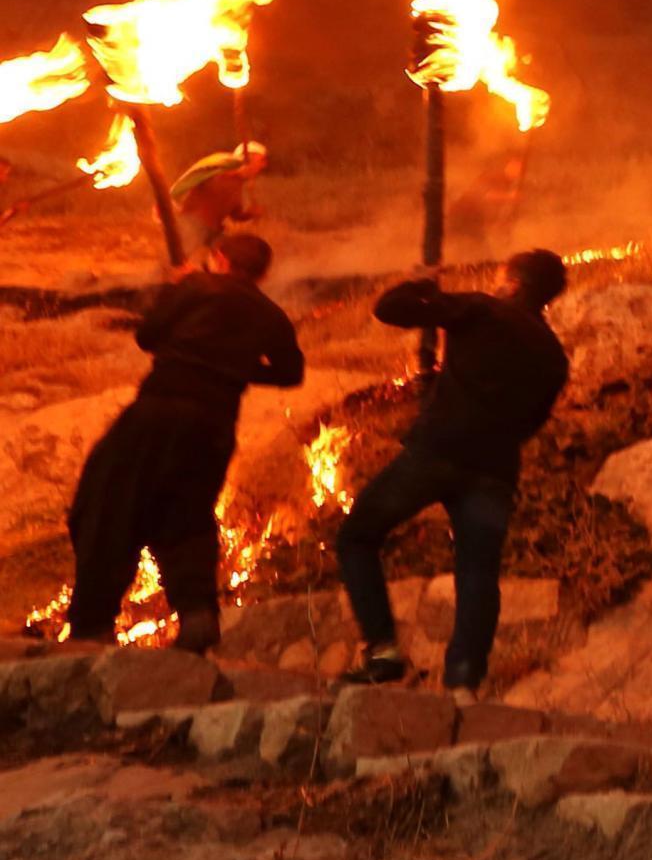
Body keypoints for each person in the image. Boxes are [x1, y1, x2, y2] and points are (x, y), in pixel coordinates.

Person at [336, 249, 571, 698]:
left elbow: (390, 309)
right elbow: (534, 422)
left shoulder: (483, 308)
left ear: (514, 284)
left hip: (437, 450)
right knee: (478, 573)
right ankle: (464, 682)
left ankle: (383, 651)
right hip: (496, 468)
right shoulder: (553, 355)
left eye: (503, 277)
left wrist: (421, 282)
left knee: (357, 536)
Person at [64, 232, 302, 651]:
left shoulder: (194, 287)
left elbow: (148, 336)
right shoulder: (272, 315)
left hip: (160, 408)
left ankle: (91, 625)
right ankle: (197, 614)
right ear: (263, 273)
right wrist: (233, 369)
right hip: (214, 425)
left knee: (108, 502)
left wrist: (176, 289)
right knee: (186, 517)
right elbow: (290, 373)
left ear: (220, 258)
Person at [169, 141, 268, 253]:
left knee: (231, 255)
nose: (264, 165)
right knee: (177, 261)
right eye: (261, 160)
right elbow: (190, 181)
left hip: (213, 232)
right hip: (191, 225)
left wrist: (250, 213)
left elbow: (235, 215)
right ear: (248, 158)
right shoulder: (218, 172)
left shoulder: (238, 184)